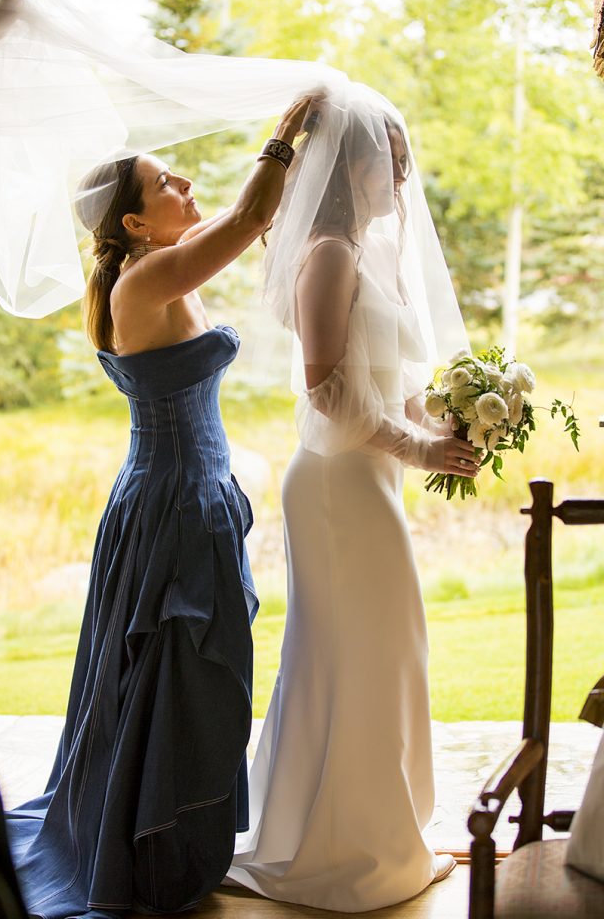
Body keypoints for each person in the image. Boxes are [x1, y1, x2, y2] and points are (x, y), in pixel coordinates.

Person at [4, 95, 313, 919]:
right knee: (182, 685)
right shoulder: (145, 279)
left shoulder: (159, 268)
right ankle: (158, 853)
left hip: (183, 495)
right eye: (163, 182)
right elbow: (251, 212)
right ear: (134, 225)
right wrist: (286, 130)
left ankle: (174, 841)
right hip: (175, 503)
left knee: (189, 685)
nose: (183, 183)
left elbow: (255, 230)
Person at [226, 88, 479, 912]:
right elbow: (328, 389)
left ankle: (384, 830)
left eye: (403, 160)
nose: (400, 175)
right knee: (359, 655)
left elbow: (381, 382)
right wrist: (420, 448)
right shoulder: (329, 253)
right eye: (388, 158)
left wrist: (443, 419)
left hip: (368, 479)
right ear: (348, 165)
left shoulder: (367, 255)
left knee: (386, 652)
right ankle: (346, 854)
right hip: (335, 486)